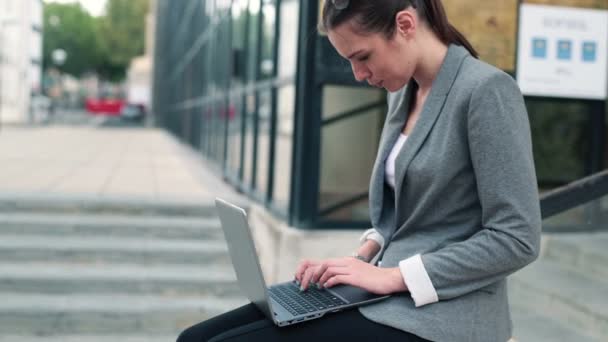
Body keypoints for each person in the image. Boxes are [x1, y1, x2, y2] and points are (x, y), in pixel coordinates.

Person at [177, 0, 541, 341]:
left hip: (446, 311)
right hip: (384, 290)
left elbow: (517, 238)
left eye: (363, 56)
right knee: (193, 338)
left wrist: (393, 277)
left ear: (405, 24)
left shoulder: (486, 92)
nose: (358, 74)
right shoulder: (402, 93)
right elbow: (407, 212)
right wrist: (360, 257)